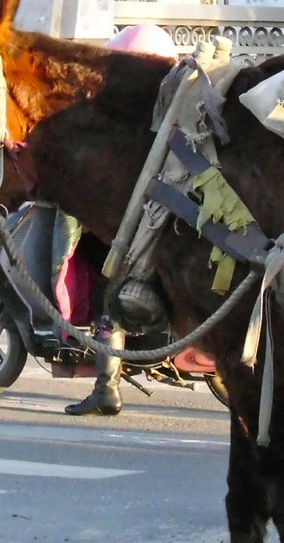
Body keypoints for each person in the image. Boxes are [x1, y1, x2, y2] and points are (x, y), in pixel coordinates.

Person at [64, 24, 179, 416]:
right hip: (166, 225)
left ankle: (106, 387)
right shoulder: (174, 109)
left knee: (108, 301)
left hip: (138, 233)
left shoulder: (129, 120)